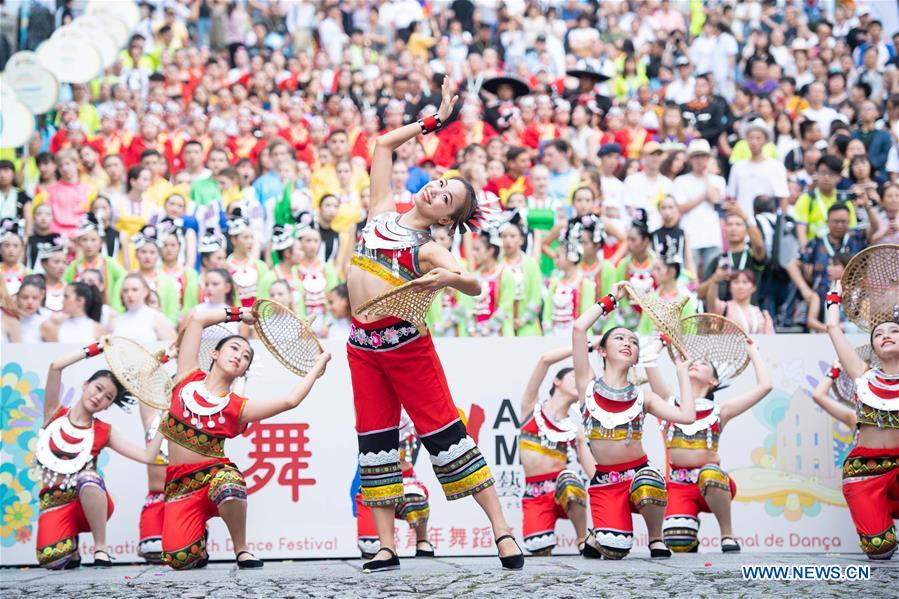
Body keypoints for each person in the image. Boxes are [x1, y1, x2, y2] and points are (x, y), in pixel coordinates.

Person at [345, 76, 523, 572]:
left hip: (406, 347)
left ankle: (503, 532)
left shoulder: (429, 248)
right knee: (375, 441)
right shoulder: (381, 210)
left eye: (446, 198)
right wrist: (431, 122)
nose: (436, 190)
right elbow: (382, 143)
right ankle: (386, 545)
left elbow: (472, 284)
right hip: (362, 346)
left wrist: (448, 277)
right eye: (441, 184)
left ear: (447, 220)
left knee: (446, 435)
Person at [160, 306, 331, 569]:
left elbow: (290, 400)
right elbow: (196, 319)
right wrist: (241, 315)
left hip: (213, 477)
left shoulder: (236, 407)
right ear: (215, 354)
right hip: (179, 486)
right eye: (234, 348)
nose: (240, 356)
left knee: (230, 484)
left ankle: (242, 550)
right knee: (179, 558)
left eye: (246, 356)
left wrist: (320, 363)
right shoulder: (186, 377)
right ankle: (197, 538)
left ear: (244, 371)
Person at [573, 282, 696, 559]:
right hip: (605, 481)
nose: (628, 343)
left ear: (637, 356)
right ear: (602, 351)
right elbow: (579, 328)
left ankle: (655, 538)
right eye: (619, 338)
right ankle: (598, 536)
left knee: (651, 481)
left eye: (633, 341)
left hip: (639, 475)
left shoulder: (645, 397)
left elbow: (687, 417)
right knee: (614, 550)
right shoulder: (587, 386)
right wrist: (612, 299)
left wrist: (682, 372)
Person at [34, 338, 164, 569]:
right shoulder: (54, 414)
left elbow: (147, 456)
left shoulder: (105, 431)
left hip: (89, 502)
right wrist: (96, 349)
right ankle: (70, 544)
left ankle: (101, 547)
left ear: (107, 407)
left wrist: (167, 423)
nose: (99, 397)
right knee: (52, 560)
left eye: (108, 398)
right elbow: (56, 365)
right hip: (54, 503)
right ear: (86, 385)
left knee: (88, 477)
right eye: (98, 388)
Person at [644, 338, 771, 553]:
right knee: (678, 542)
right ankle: (689, 535)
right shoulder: (668, 403)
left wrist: (753, 351)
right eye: (694, 362)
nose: (695, 363)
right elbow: (648, 361)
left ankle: (727, 534)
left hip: (712, 484)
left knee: (710, 474)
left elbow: (766, 386)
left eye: (704, 364)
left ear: (713, 381)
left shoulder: (720, 410)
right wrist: (662, 341)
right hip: (678, 485)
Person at [824, 281, 899, 560]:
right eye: (878, 334)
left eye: (894, 331)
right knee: (879, 550)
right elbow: (833, 329)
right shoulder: (863, 376)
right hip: (867, 471)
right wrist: (834, 298)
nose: (886, 335)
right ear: (873, 347)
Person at [519, 346, 593, 555]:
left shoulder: (574, 429)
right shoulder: (531, 408)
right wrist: (584, 347)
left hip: (562, 490)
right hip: (534, 494)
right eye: (573, 376)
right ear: (557, 381)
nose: (578, 381)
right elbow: (544, 359)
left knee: (570, 480)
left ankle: (582, 539)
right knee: (539, 550)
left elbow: (593, 473)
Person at [355, 409, 436, 559]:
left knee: (414, 497)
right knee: (370, 544)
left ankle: (422, 539)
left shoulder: (406, 416)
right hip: (374, 482)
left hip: (404, 480)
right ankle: (386, 547)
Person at [542, 226, 596, 337]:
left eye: (558, 256)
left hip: (576, 332)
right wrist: (548, 331)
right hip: (554, 333)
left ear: (571, 256)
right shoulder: (555, 283)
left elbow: (587, 313)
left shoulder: (585, 283)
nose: (555, 259)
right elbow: (547, 311)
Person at [63, 215, 126, 305]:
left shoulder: (109, 263)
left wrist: (115, 300)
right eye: (84, 240)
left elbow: (124, 278)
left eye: (93, 240)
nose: (89, 245)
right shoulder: (74, 266)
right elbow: (64, 283)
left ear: (101, 242)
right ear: (79, 242)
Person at [498, 215, 542, 337]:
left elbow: (536, 296)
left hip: (527, 324)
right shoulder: (498, 266)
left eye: (512, 236)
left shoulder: (531, 263)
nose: (508, 240)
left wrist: (524, 319)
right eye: (504, 236)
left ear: (522, 240)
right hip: (503, 323)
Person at [110, 274, 177, 344]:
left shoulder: (157, 318)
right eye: (125, 291)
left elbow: (171, 349)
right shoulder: (115, 321)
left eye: (134, 289)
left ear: (145, 291)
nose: (129, 294)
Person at [705, 269, 775, 335]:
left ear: (754, 287)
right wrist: (715, 279)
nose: (740, 286)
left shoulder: (762, 314)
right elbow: (711, 302)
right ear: (730, 287)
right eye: (736, 282)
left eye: (745, 282)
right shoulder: (724, 308)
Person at [40, 282, 107, 343]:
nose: (62, 301)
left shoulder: (98, 329)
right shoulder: (54, 325)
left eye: (66, 297)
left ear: (80, 301)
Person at [3, 275, 47, 342]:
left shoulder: (46, 325)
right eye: (25, 297)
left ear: (41, 298)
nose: (30, 302)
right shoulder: (8, 320)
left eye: (35, 298)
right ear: (17, 298)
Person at [0, 218, 28, 295]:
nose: (11, 250)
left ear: (22, 249)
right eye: (6, 245)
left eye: (15, 246)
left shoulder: (28, 273)